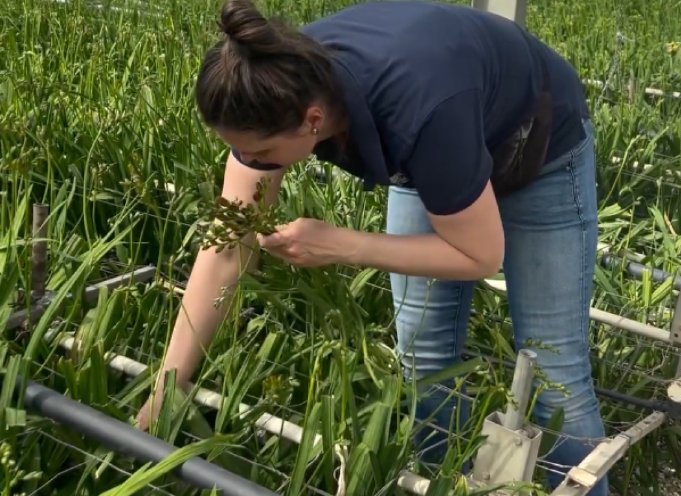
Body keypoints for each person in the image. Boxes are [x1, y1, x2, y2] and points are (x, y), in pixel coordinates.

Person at [136, 0, 608, 494]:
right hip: (439, 144)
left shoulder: (419, 111)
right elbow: (228, 247)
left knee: (553, 365)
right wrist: (170, 383)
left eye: (262, 153)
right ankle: (447, 481)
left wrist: (342, 244)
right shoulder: (272, 87)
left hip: (535, 145)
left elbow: (480, 255)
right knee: (423, 354)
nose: (251, 163)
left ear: (312, 120)